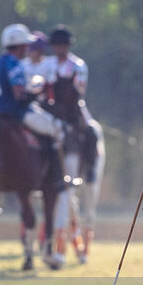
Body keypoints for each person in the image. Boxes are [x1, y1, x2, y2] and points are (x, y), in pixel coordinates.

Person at [0, 23, 68, 191]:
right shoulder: (14, 63)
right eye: (26, 44)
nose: (28, 48)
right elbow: (19, 96)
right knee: (57, 128)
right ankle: (57, 178)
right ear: (20, 46)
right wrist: (36, 92)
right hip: (18, 112)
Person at [48, 24, 98, 182]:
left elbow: (80, 89)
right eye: (57, 45)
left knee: (91, 132)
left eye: (63, 45)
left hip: (74, 107)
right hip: (51, 106)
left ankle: (90, 169)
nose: (60, 48)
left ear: (68, 46)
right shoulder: (48, 64)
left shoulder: (78, 65)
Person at [21, 30, 55, 103]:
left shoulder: (50, 64)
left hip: (45, 101)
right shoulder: (22, 64)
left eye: (36, 50)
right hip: (26, 99)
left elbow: (51, 84)